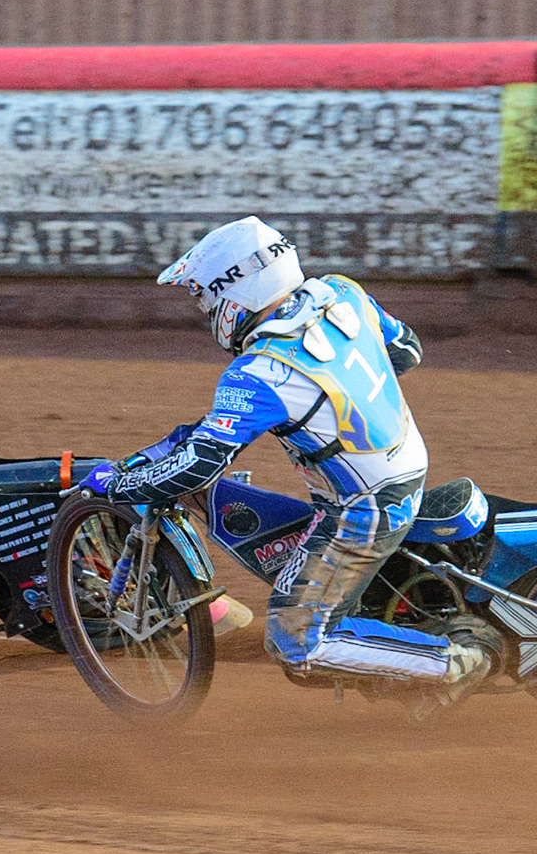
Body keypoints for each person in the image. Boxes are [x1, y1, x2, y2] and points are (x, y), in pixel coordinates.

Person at [104, 216, 499, 707]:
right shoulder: (341, 292)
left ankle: (455, 661)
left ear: (235, 290)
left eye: (204, 297)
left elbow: (196, 468)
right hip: (405, 462)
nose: (205, 310)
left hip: (363, 507)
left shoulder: (258, 372)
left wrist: (115, 490)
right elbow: (405, 350)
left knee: (296, 645)